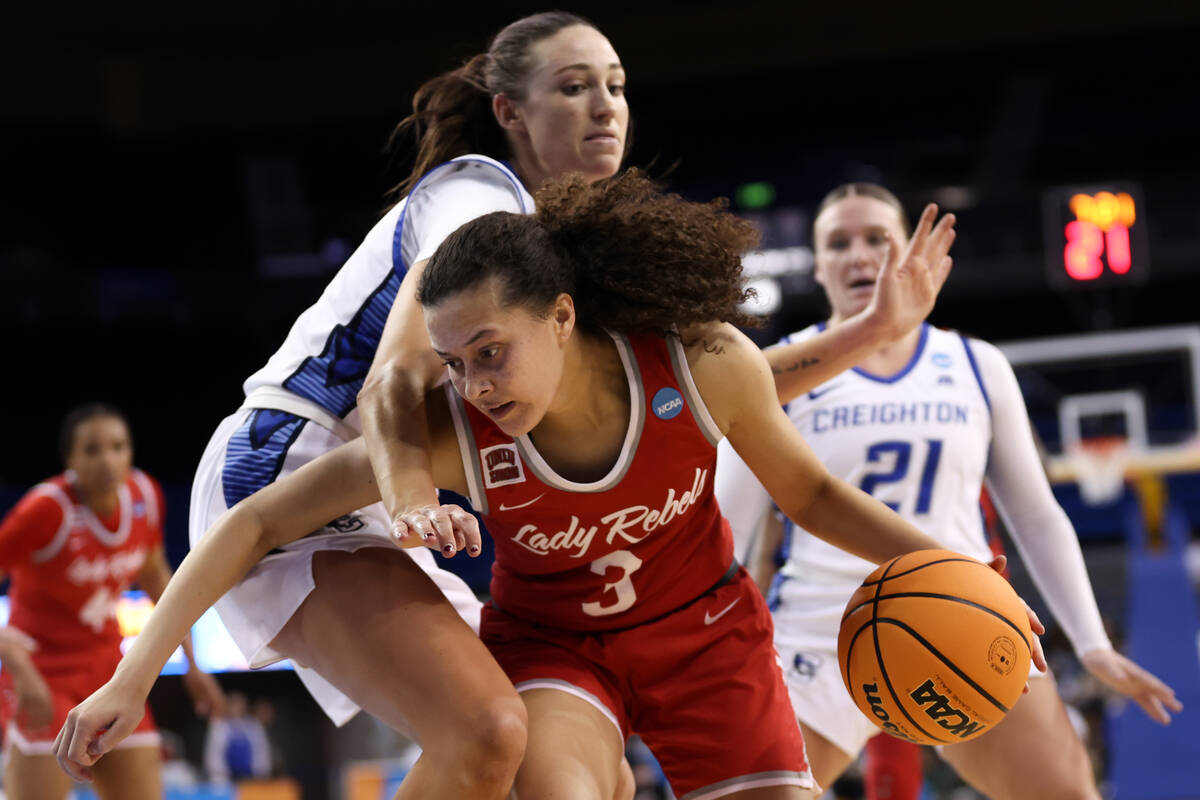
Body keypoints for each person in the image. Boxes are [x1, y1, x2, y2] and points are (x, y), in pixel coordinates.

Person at [72, 9, 952, 798]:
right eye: (574, 87)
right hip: (289, 465)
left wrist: (867, 333)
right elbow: (396, 385)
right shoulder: (479, 204)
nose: (606, 105)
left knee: (582, 772)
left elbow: (716, 385)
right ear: (510, 112)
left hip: (378, 491)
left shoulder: (552, 266)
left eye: (615, 85)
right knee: (488, 733)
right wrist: (413, 493)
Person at [715, 183, 1182, 800]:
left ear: (910, 251)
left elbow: (1036, 517)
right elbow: (725, 531)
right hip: (818, 631)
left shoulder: (974, 364)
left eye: (877, 239)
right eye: (839, 243)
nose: (858, 256)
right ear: (819, 265)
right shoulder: (775, 368)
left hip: (962, 610)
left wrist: (1092, 644)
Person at [0, 403, 225, 800]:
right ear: (70, 459)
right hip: (41, 672)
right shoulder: (45, 509)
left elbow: (158, 580)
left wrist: (193, 663)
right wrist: (17, 665)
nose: (108, 459)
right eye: (92, 450)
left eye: (118, 446)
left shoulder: (146, 496)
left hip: (107, 670)